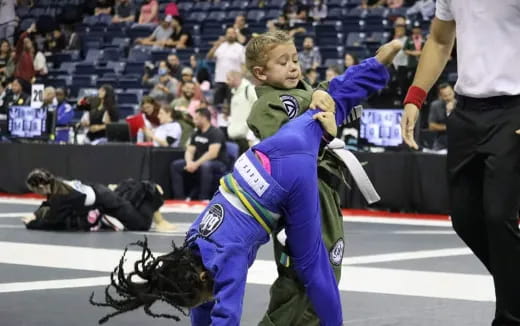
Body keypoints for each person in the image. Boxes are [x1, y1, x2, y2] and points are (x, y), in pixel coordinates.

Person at [90, 38, 399, 325]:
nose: (293, 66)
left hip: (288, 179)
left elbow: (225, 316)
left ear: (200, 279)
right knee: (323, 108)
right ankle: (374, 67)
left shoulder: (226, 266)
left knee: (313, 270)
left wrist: (325, 123)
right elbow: (200, 305)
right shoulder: (191, 244)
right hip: (260, 161)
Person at [244, 30, 379, 326]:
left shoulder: (306, 92)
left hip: (322, 189)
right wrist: (320, 116)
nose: (293, 66)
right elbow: (286, 148)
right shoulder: (267, 105)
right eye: (283, 62)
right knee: (301, 278)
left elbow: (336, 96)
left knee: (325, 269)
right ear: (260, 73)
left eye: (294, 59)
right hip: (302, 195)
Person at [400, 1, 520, 324]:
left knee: (498, 215)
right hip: (467, 111)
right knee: (465, 218)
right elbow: (440, 40)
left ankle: (510, 317)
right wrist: (415, 96)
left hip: (513, 108)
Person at [23, 168, 174, 232]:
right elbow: (48, 203)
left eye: (34, 190)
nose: (36, 193)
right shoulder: (59, 183)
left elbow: (53, 223)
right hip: (101, 193)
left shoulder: (60, 197)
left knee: (141, 225)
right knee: (131, 194)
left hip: (108, 201)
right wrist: (36, 214)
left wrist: (32, 224)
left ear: (41, 186)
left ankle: (158, 214)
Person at [170, 108, 228, 200]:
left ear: (204, 118)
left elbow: (212, 154)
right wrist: (189, 163)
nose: (194, 121)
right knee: (176, 165)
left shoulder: (216, 132)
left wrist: (196, 164)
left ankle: (203, 198)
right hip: (198, 162)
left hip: (217, 163)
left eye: (196, 118)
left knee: (206, 165)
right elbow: (190, 150)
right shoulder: (196, 133)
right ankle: (179, 198)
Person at [206, 27, 245, 106]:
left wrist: (241, 78)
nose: (230, 35)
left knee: (233, 105)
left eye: (233, 33)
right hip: (219, 80)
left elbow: (244, 64)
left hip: (233, 82)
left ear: (236, 35)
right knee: (216, 105)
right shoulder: (220, 46)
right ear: (226, 34)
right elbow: (209, 57)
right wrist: (215, 46)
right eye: (229, 33)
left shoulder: (240, 48)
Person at [226, 70, 257, 154]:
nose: (226, 82)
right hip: (236, 137)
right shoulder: (234, 93)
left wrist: (250, 134)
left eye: (228, 79)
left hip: (246, 138)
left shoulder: (249, 89)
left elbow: (256, 110)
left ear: (235, 78)